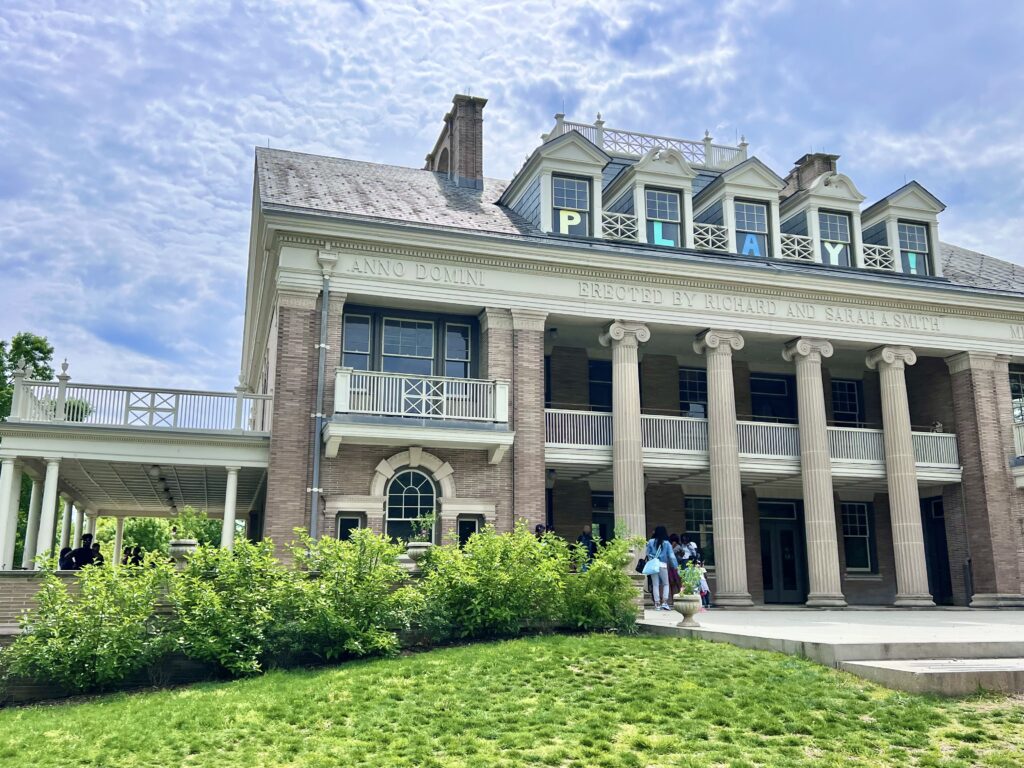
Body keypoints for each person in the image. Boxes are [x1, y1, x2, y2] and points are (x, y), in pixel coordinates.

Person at [645, 525, 678, 611]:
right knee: (666, 584)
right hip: (662, 565)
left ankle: (657, 604)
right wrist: (675, 566)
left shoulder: (650, 542)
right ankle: (664, 602)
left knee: (655, 584)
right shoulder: (667, 543)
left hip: (653, 565)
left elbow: (647, 554)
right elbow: (671, 556)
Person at [667, 534, 683, 600]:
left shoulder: (678, 547)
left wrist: (672, 546)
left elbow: (671, 553)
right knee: (671, 582)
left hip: (676, 566)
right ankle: (673, 598)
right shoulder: (672, 546)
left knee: (678, 582)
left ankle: (681, 597)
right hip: (671, 567)